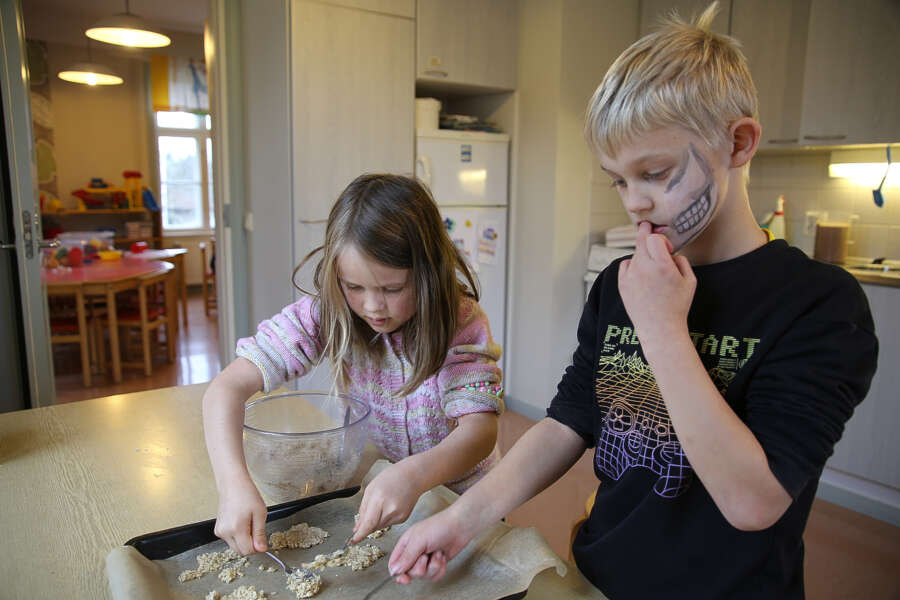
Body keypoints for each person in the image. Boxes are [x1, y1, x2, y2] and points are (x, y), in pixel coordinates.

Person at [387, 4, 878, 598]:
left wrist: (664, 328)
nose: (634, 202)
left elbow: (753, 501)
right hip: (601, 575)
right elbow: (571, 418)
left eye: (654, 172)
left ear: (739, 143)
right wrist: (464, 519)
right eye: (618, 180)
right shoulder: (620, 282)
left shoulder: (818, 304)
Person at [202, 173, 504, 556]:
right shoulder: (327, 313)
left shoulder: (460, 322)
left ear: (427, 275)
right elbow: (224, 390)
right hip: (387, 487)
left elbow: (480, 432)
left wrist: (414, 474)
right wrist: (232, 485)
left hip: (465, 503)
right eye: (355, 287)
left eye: (392, 289)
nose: (373, 307)